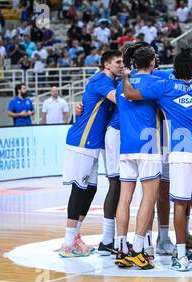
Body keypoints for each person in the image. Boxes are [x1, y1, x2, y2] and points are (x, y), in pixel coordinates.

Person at [122, 48, 192, 272]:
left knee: (180, 203)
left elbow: (131, 94)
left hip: (180, 151)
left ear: (175, 69)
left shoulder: (165, 87)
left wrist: (126, 77)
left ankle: (181, 256)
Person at [59, 50, 121, 258]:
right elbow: (119, 99)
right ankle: (67, 244)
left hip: (93, 144)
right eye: (118, 62)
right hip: (82, 142)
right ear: (106, 65)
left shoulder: (107, 82)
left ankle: (75, 237)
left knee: (89, 190)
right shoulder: (101, 81)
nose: (121, 65)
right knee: (78, 190)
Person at [113, 44, 161, 270]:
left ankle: (121, 248)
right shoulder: (155, 82)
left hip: (125, 147)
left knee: (124, 199)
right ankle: (139, 249)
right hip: (148, 147)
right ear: (152, 62)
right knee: (149, 198)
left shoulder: (121, 84)